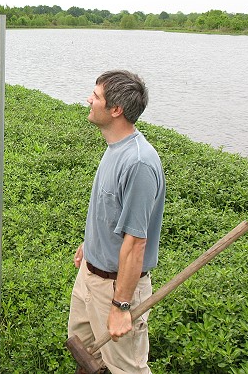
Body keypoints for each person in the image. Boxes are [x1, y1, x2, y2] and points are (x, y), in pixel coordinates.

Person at [67, 70, 166, 374]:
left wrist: (121, 306)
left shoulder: (138, 163)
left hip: (115, 287)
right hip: (90, 276)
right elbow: (110, 212)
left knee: (127, 369)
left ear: (115, 110)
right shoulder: (115, 147)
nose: (89, 99)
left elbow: (136, 243)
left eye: (95, 96)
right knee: (84, 352)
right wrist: (90, 244)